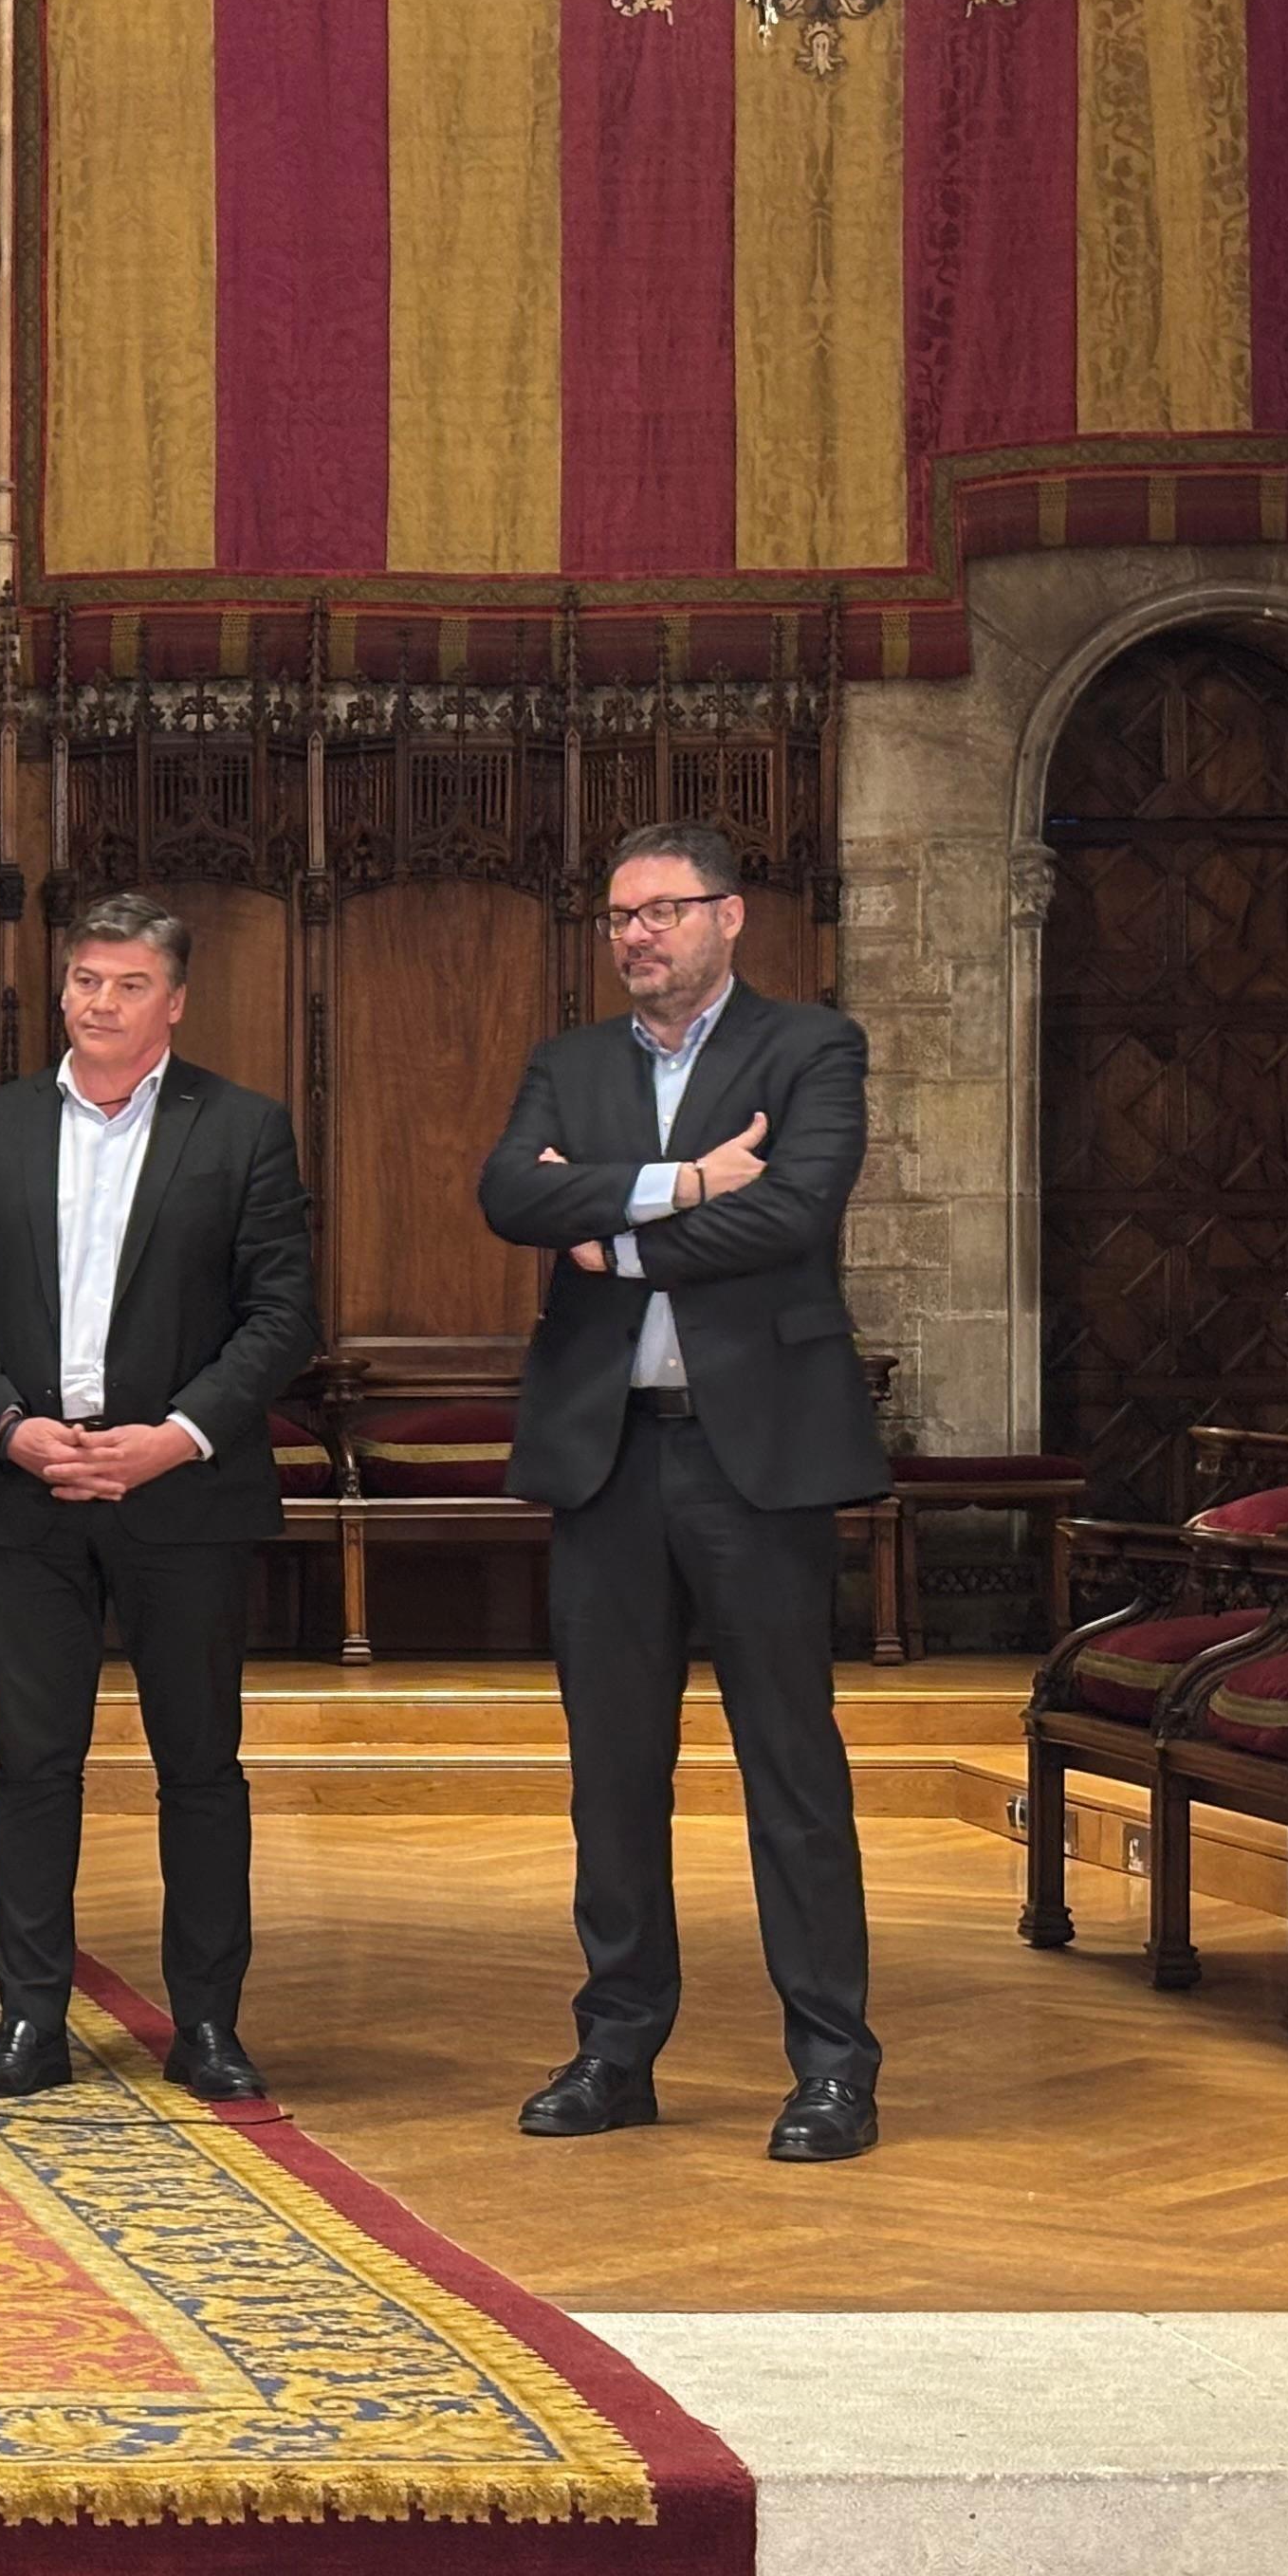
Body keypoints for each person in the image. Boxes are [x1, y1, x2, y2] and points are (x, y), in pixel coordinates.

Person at [477, 820, 892, 2164]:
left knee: (791, 1767)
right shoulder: (571, 1063)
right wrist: (688, 1181)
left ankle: (832, 2067)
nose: (637, 935)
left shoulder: (811, 1048)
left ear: (730, 916)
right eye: (620, 917)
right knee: (612, 1773)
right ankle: (617, 2049)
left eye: (663, 910)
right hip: (608, 1455)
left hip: (755, 1455)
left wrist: (614, 1237)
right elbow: (509, 1197)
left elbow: (795, 1211)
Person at [0, 892, 319, 2107]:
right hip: (28, 1493)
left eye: (128, 984)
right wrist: (11, 1427)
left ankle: (208, 2025)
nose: (100, 1002)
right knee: (32, 1768)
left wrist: (174, 1438)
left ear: (175, 1002)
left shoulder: (242, 1128)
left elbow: (281, 1315)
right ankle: (29, 2022)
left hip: (182, 1493)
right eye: (86, 980)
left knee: (201, 1768)